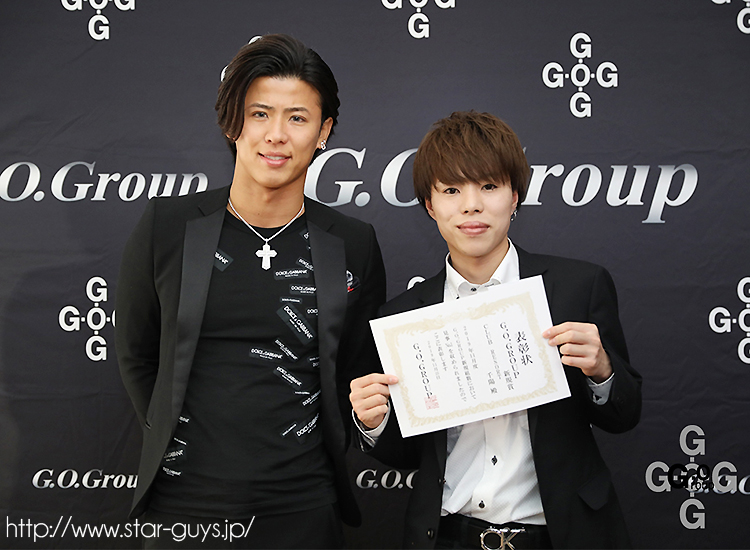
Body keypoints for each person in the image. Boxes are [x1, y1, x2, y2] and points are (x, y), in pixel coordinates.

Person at [115, 34, 385, 549]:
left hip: (304, 505)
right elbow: (135, 353)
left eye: (297, 118)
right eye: (259, 114)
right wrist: (176, 439)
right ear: (232, 122)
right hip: (183, 505)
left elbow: (355, 368)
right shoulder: (168, 227)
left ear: (324, 132)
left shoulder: (353, 243)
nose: (276, 135)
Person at [350, 111, 641, 549]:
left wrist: (602, 371)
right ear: (429, 205)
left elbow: (625, 416)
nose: (471, 205)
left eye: (488, 186)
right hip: (447, 537)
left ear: (515, 196)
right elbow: (407, 454)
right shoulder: (404, 317)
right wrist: (374, 422)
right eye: (451, 190)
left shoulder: (578, 287)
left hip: (560, 536)